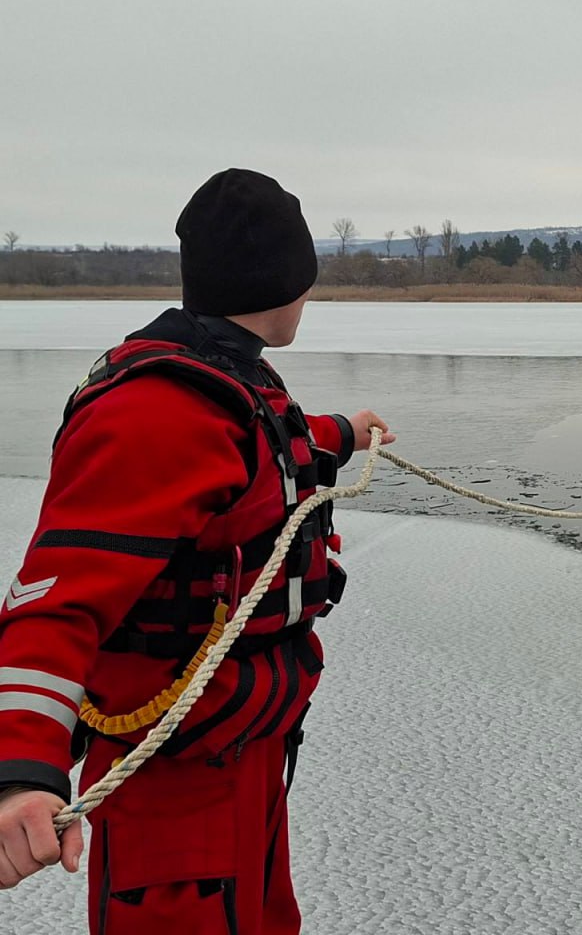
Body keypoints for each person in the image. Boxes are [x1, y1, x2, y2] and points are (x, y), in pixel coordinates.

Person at [0, 168, 395, 934]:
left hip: (247, 757)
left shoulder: (231, 379)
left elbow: (264, 449)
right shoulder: (151, 414)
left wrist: (344, 433)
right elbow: (54, 603)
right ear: (282, 283)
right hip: (171, 789)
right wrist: (20, 774)